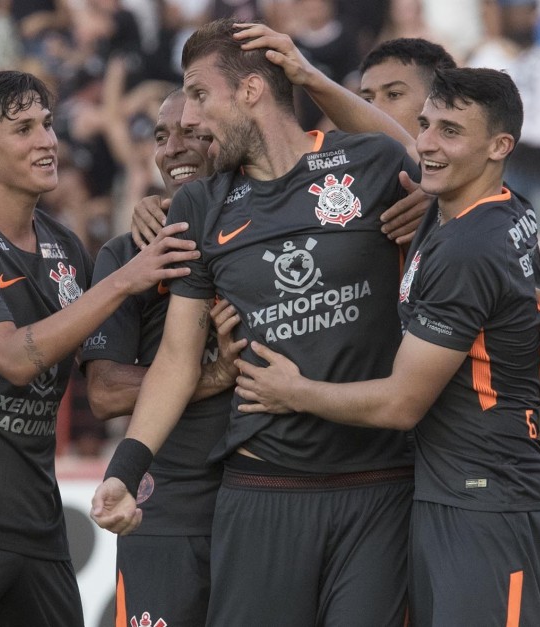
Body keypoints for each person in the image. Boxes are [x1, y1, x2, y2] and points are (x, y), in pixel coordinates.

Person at [92, 17, 423, 626]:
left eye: (198, 94)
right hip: (263, 487)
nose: (187, 119)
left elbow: (424, 161)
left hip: (378, 483)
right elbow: (175, 358)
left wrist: (308, 74)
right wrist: (125, 469)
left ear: (251, 91)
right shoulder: (200, 203)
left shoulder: (368, 163)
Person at [235, 67, 540, 626]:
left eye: (450, 131)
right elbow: (396, 140)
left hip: (487, 501)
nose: (427, 144)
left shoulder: (466, 246)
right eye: (426, 125)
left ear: (499, 146)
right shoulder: (474, 205)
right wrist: (305, 73)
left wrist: (296, 391)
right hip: (454, 493)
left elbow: (400, 404)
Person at [0, 69, 197, 627]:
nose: (47, 141)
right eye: (24, 129)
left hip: (40, 525)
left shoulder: (66, 246)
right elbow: (12, 356)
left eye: (48, 125)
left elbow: (102, 382)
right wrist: (125, 278)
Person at [82, 88, 243, 627]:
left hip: (264, 501)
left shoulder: (269, 231)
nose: (174, 148)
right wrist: (209, 376)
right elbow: (104, 392)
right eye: (160, 136)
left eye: (194, 133)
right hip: (165, 506)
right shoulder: (129, 253)